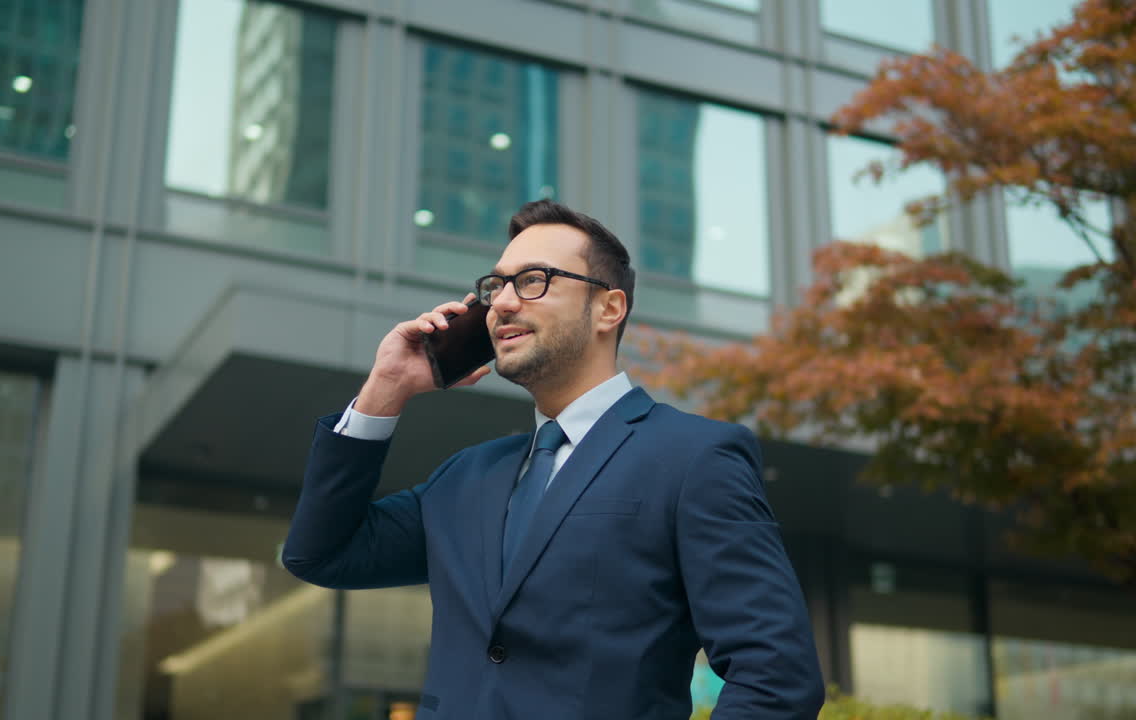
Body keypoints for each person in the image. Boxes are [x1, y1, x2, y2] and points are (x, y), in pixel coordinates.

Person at [281, 200, 824, 719]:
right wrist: (386, 388)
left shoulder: (693, 459)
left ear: (609, 308)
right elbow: (322, 554)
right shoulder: (466, 475)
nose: (503, 303)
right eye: (496, 286)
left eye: (534, 281)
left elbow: (775, 674)